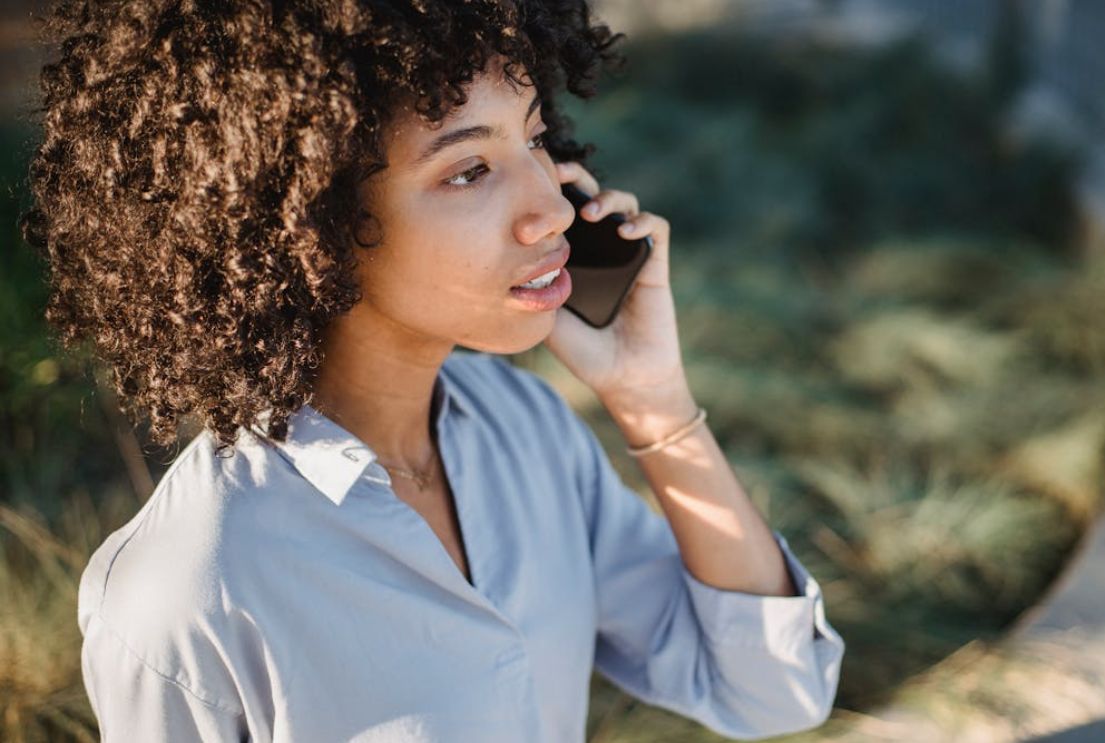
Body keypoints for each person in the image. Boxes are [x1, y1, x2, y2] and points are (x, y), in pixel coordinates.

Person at [21, 0, 845, 740]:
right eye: (468, 170)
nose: (553, 207)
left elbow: (772, 688)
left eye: (531, 137)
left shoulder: (526, 433)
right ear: (308, 228)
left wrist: (653, 402)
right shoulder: (191, 589)